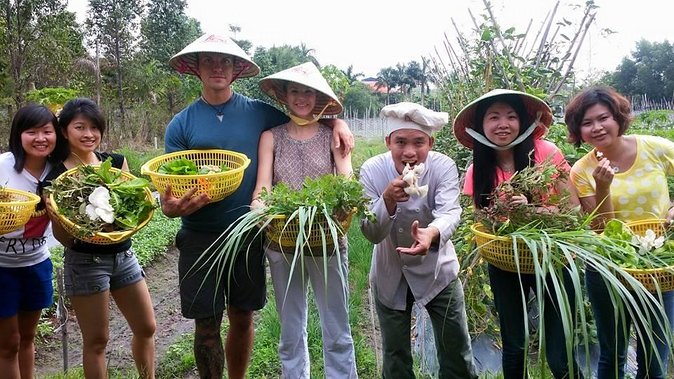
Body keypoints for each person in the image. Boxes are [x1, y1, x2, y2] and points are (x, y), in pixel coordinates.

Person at [162, 34, 354, 379]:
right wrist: (172, 208)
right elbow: (170, 192)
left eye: (226, 62)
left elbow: (303, 118)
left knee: (243, 315)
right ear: (197, 68)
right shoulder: (181, 124)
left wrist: (337, 122)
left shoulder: (259, 113)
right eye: (209, 61)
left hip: (250, 236)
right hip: (199, 236)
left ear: (237, 70)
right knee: (205, 324)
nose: (218, 67)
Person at [454, 89, 583, 379]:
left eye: (511, 116)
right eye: (494, 117)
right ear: (481, 126)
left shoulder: (546, 153)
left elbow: (573, 212)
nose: (503, 124)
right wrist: (495, 213)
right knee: (514, 346)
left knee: (560, 353)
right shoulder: (478, 169)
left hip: (555, 259)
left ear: (524, 122)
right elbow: (480, 219)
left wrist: (532, 211)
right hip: (505, 262)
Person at [251, 61, 358, 378]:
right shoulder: (271, 137)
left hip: (327, 240)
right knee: (290, 325)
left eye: (308, 92)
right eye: (295, 91)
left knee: (336, 324)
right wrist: (259, 210)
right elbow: (262, 188)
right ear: (284, 96)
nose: (301, 98)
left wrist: (344, 205)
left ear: (319, 98)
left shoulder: (332, 136)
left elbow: (347, 183)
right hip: (282, 241)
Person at [359, 102, 477, 379]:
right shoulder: (372, 170)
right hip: (390, 272)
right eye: (400, 142)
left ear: (431, 143)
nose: (409, 152)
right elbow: (371, 233)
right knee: (395, 354)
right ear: (388, 142)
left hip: (438, 268)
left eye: (418, 142)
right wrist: (386, 200)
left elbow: (450, 212)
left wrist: (432, 233)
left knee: (456, 349)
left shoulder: (443, 166)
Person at [565, 85, 674, 379]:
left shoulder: (655, 148)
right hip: (607, 267)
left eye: (604, 118)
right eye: (587, 123)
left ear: (619, 118)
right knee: (611, 354)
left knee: (654, 357)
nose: (597, 127)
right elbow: (602, 229)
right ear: (578, 131)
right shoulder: (582, 170)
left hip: (656, 264)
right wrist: (603, 187)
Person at [44, 98, 156, 378]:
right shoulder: (57, 177)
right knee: (97, 341)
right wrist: (59, 219)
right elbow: (64, 238)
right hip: (85, 262)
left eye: (94, 127)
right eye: (79, 127)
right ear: (64, 131)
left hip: (124, 255)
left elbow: (132, 209)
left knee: (147, 327)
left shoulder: (115, 162)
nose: (88, 134)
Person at [0, 104, 66, 378]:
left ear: (56, 135)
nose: (40, 138)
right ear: (18, 135)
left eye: (47, 131)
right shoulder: (4, 166)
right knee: (8, 343)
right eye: (32, 132)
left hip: (37, 264)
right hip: (2, 268)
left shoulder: (59, 171)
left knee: (28, 337)